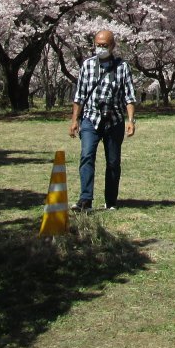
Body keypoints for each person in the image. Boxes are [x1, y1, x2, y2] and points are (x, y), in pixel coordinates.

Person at [68, 28, 137, 211]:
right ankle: (86, 199)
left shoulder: (122, 67)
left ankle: (111, 200)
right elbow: (79, 95)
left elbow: (129, 96)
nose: (100, 49)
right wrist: (75, 120)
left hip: (114, 120)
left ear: (113, 46)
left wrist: (131, 120)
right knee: (86, 156)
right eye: (98, 45)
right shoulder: (87, 65)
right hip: (90, 118)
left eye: (104, 46)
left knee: (113, 162)